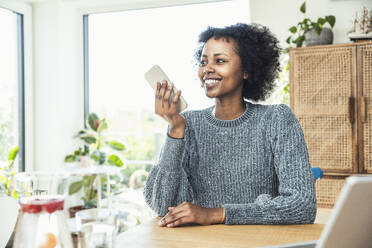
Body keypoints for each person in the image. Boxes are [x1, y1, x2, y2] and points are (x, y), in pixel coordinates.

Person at [144, 23, 316, 227]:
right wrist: (175, 130)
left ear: (246, 70)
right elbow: (163, 205)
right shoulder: (187, 124)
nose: (207, 69)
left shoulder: (276, 120)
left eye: (220, 61)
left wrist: (218, 214)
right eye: (204, 61)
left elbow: (302, 205)